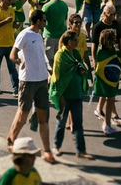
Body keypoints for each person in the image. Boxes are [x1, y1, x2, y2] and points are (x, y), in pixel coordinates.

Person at [7, 10, 56, 164]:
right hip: (28, 81)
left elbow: (41, 56)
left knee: (43, 118)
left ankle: (47, 151)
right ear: (38, 21)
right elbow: (12, 53)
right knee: (22, 115)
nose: (46, 22)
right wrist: (16, 60)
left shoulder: (39, 35)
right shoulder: (25, 34)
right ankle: (10, 140)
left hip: (41, 81)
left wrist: (49, 72)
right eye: (44, 20)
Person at [49, 30, 92, 159]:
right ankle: (56, 146)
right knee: (61, 123)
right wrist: (60, 96)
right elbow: (57, 76)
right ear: (69, 42)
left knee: (78, 124)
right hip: (65, 95)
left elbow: (81, 65)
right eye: (75, 40)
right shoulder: (60, 55)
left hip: (77, 94)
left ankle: (81, 150)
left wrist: (82, 69)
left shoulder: (76, 53)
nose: (77, 42)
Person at [91, 4, 121, 126]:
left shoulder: (115, 24)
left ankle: (99, 109)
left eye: (114, 14)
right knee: (109, 88)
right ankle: (114, 114)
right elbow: (94, 45)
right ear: (104, 14)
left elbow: (120, 42)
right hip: (104, 58)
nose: (113, 17)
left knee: (109, 87)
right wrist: (94, 60)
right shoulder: (98, 27)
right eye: (111, 14)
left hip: (115, 57)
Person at [42, 0, 68, 64]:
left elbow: (42, 21)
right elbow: (65, 18)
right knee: (59, 60)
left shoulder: (46, 6)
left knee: (49, 61)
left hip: (49, 36)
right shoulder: (64, 5)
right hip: (61, 35)